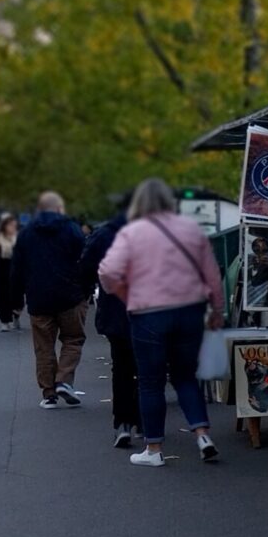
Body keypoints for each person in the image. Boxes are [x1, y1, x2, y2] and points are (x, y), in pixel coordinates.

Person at [97, 177, 223, 466]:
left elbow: (107, 272)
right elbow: (212, 275)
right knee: (185, 376)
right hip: (190, 310)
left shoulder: (132, 233)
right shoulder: (191, 230)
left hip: (148, 314)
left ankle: (153, 450)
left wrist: (127, 294)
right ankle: (203, 435)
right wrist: (217, 310)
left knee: (150, 382)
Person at [9, 192, 90, 407]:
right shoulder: (72, 229)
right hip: (70, 296)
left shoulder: (26, 234)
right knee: (73, 339)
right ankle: (63, 380)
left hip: (38, 299)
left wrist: (16, 300)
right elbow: (84, 260)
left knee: (44, 347)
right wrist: (86, 290)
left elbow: (17, 269)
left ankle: (48, 393)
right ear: (59, 208)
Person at [80, 198, 141, 450]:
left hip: (116, 310)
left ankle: (122, 423)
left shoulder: (103, 234)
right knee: (147, 369)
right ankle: (145, 421)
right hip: (147, 308)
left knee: (122, 367)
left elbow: (85, 268)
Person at [0, 214, 21, 329]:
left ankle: (16, 314)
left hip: (16, 271)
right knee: (2, 297)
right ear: (4, 226)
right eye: (10, 225)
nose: (13, 227)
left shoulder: (19, 239)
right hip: (0, 271)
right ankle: (4, 321)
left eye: (14, 225)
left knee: (17, 298)